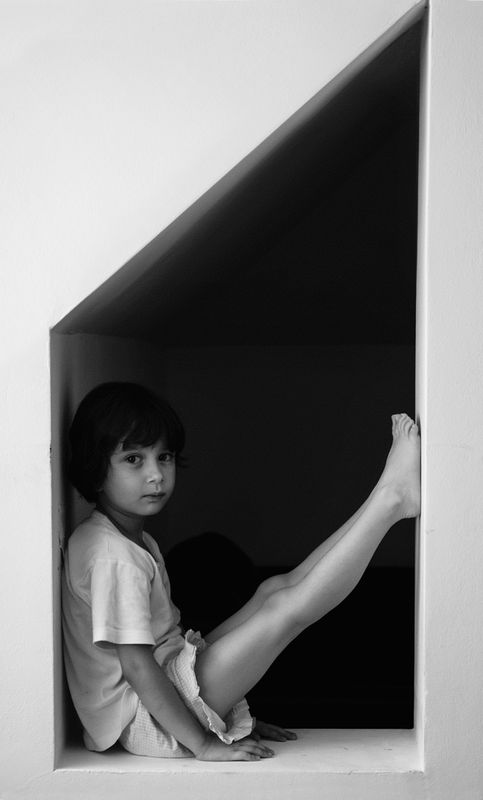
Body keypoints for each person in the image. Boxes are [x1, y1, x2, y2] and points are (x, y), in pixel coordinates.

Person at [62, 382, 420, 762]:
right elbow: (136, 666)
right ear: (95, 469)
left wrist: (222, 711)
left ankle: (386, 494)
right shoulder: (112, 556)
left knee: (272, 591)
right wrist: (204, 742)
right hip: (144, 721)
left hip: (162, 687)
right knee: (284, 610)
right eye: (134, 459)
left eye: (164, 456)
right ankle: (391, 501)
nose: (156, 475)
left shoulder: (125, 537)